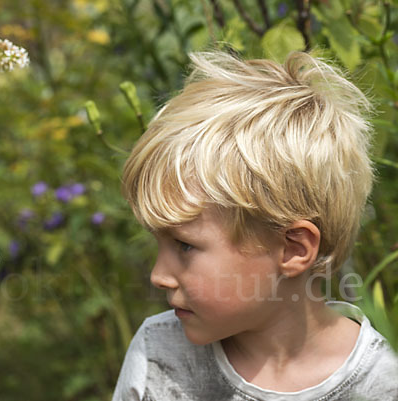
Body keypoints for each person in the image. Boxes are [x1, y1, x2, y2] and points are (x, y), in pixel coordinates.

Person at [113, 51, 398, 400]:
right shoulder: (158, 357)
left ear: (293, 249)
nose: (158, 275)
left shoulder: (381, 383)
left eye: (184, 245)